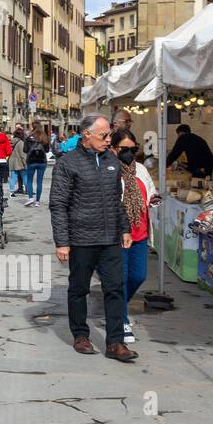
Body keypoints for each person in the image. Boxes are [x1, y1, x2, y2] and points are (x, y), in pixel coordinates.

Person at [48, 114, 136, 362]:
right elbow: (58, 204)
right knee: (79, 288)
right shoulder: (68, 163)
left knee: (115, 288)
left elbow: (117, 201)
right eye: (104, 135)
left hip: (110, 239)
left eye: (109, 135)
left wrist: (125, 228)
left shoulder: (112, 160)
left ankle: (116, 343)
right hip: (81, 238)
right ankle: (81, 335)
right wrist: (62, 242)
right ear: (87, 134)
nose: (109, 140)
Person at [112, 128, 158, 344]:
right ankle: (121, 319)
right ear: (114, 148)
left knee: (138, 276)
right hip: (119, 234)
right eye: (124, 149)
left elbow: (150, 192)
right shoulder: (109, 169)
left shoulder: (140, 169)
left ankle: (114, 306)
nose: (129, 153)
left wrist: (155, 200)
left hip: (140, 232)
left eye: (133, 149)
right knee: (120, 278)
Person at [23, 127, 50, 207]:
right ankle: (37, 201)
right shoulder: (44, 137)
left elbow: (25, 150)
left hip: (31, 161)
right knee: (39, 182)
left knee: (29, 180)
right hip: (42, 161)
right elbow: (47, 150)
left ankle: (30, 197)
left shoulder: (28, 138)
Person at [7, 127, 28, 196]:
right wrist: (26, 164)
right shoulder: (21, 143)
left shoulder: (11, 141)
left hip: (13, 162)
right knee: (24, 177)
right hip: (20, 163)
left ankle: (11, 191)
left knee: (13, 178)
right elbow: (23, 155)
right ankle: (28, 190)